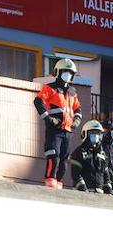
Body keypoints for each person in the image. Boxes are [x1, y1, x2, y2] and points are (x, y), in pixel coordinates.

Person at [33, 58, 82, 189]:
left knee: (64, 160)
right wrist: (48, 118)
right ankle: (50, 180)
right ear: (58, 72)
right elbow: (38, 101)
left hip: (68, 131)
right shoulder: (50, 88)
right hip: (54, 130)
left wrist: (76, 121)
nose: (68, 75)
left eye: (70, 73)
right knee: (53, 156)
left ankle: (58, 182)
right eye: (65, 71)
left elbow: (78, 109)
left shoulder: (72, 92)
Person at [70, 120, 113, 193]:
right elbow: (76, 174)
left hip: (100, 194)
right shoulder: (78, 152)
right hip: (82, 194)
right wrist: (84, 189)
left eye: (98, 133)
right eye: (92, 133)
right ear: (85, 134)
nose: (96, 136)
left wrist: (108, 190)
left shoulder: (102, 153)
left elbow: (106, 175)